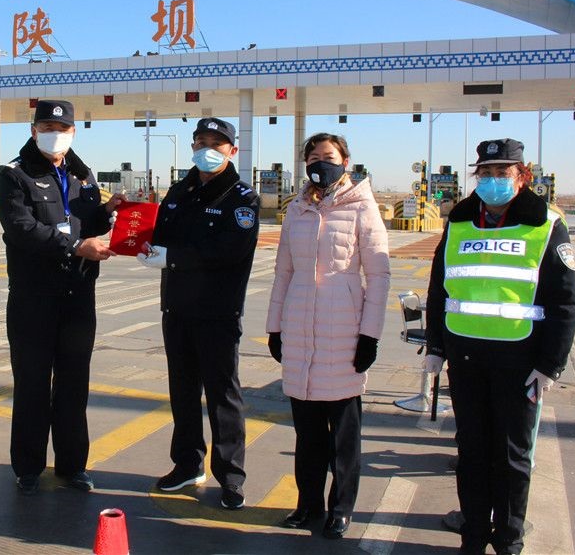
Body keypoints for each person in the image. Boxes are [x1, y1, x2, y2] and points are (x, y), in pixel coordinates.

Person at [423, 138, 575, 555]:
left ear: (522, 176)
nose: (492, 180)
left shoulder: (546, 224)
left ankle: (509, 539)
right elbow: (439, 289)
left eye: (502, 172)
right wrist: (436, 346)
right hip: (466, 358)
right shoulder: (459, 221)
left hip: (521, 361)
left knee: (512, 456)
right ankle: (473, 534)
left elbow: (565, 303)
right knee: (472, 451)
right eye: (486, 173)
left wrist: (550, 365)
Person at [0, 99, 125, 496]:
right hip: (33, 299)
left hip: (78, 297)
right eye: (47, 128)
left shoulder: (82, 176)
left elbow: (87, 223)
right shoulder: (14, 175)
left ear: (73, 132)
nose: (55, 134)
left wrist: (109, 212)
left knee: (73, 386)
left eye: (62, 128)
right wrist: (75, 247)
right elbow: (21, 228)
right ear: (34, 131)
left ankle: (73, 467)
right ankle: (28, 467)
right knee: (32, 384)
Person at [265, 132, 390, 539]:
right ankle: (308, 505)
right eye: (314, 157)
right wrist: (275, 327)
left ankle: (341, 508)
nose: (321, 163)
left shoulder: (362, 207)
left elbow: (379, 275)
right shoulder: (296, 209)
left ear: (345, 162)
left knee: (344, 437)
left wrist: (369, 336)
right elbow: (283, 272)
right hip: (300, 328)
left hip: (344, 332)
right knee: (308, 434)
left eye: (330, 156)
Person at [136, 117, 260, 511]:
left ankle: (231, 477)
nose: (207, 149)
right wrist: (139, 237)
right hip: (177, 308)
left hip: (217, 312)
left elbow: (229, 251)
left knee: (223, 395)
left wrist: (172, 257)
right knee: (183, 391)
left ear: (232, 150)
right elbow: (160, 235)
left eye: (216, 143)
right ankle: (188, 463)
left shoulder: (242, 198)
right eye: (201, 141)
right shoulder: (180, 191)